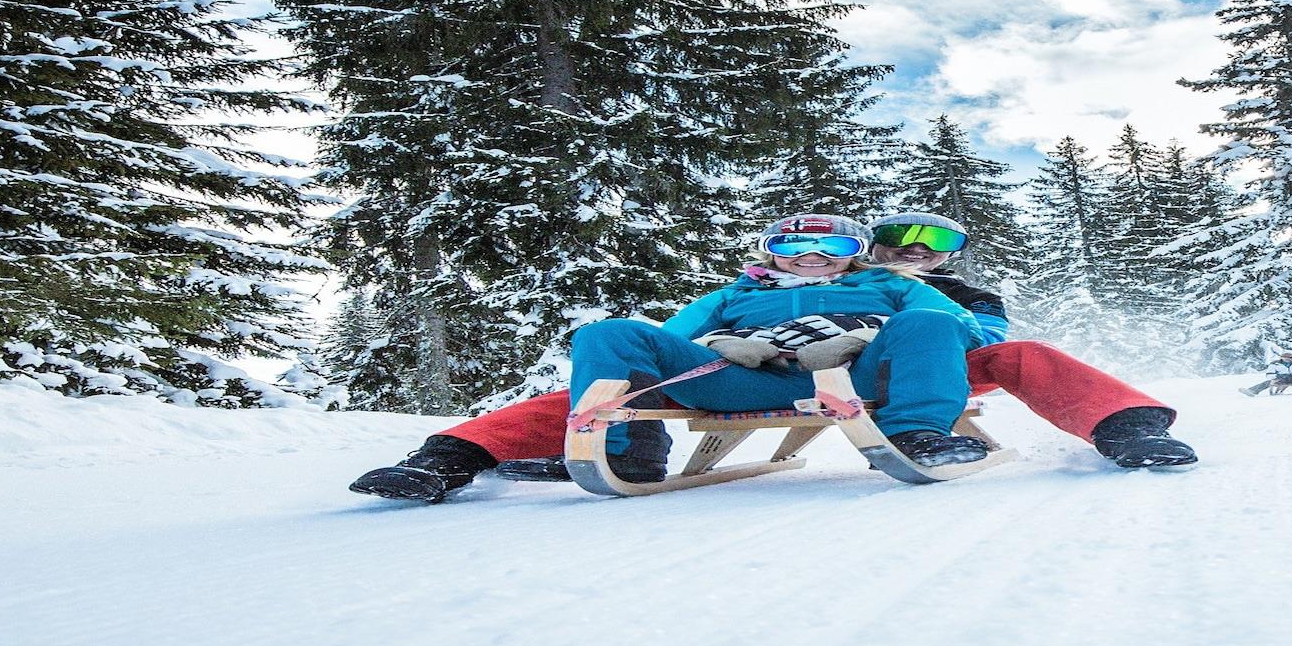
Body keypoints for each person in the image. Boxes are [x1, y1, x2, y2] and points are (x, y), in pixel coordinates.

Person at [350, 210, 1197, 502]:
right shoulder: (732, 294)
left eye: (834, 246)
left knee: (964, 338)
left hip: (862, 378)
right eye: (796, 245)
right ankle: (458, 455)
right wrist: (724, 340)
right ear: (770, 251)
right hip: (738, 375)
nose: (814, 257)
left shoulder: (891, 286)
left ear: (854, 253)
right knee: (606, 339)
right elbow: (662, 346)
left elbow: (975, 337)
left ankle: (1115, 426)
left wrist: (875, 334)